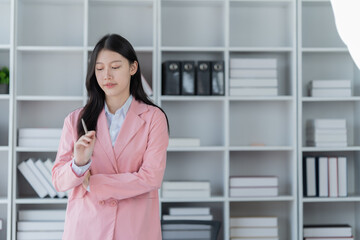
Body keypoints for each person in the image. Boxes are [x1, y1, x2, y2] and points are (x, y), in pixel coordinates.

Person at [52, 33, 169, 240]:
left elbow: (151, 177)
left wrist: (95, 184)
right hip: (87, 228)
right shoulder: (76, 119)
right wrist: (79, 163)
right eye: (100, 68)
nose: (107, 75)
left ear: (132, 68)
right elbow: (59, 182)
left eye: (115, 67)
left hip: (135, 229)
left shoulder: (153, 118)